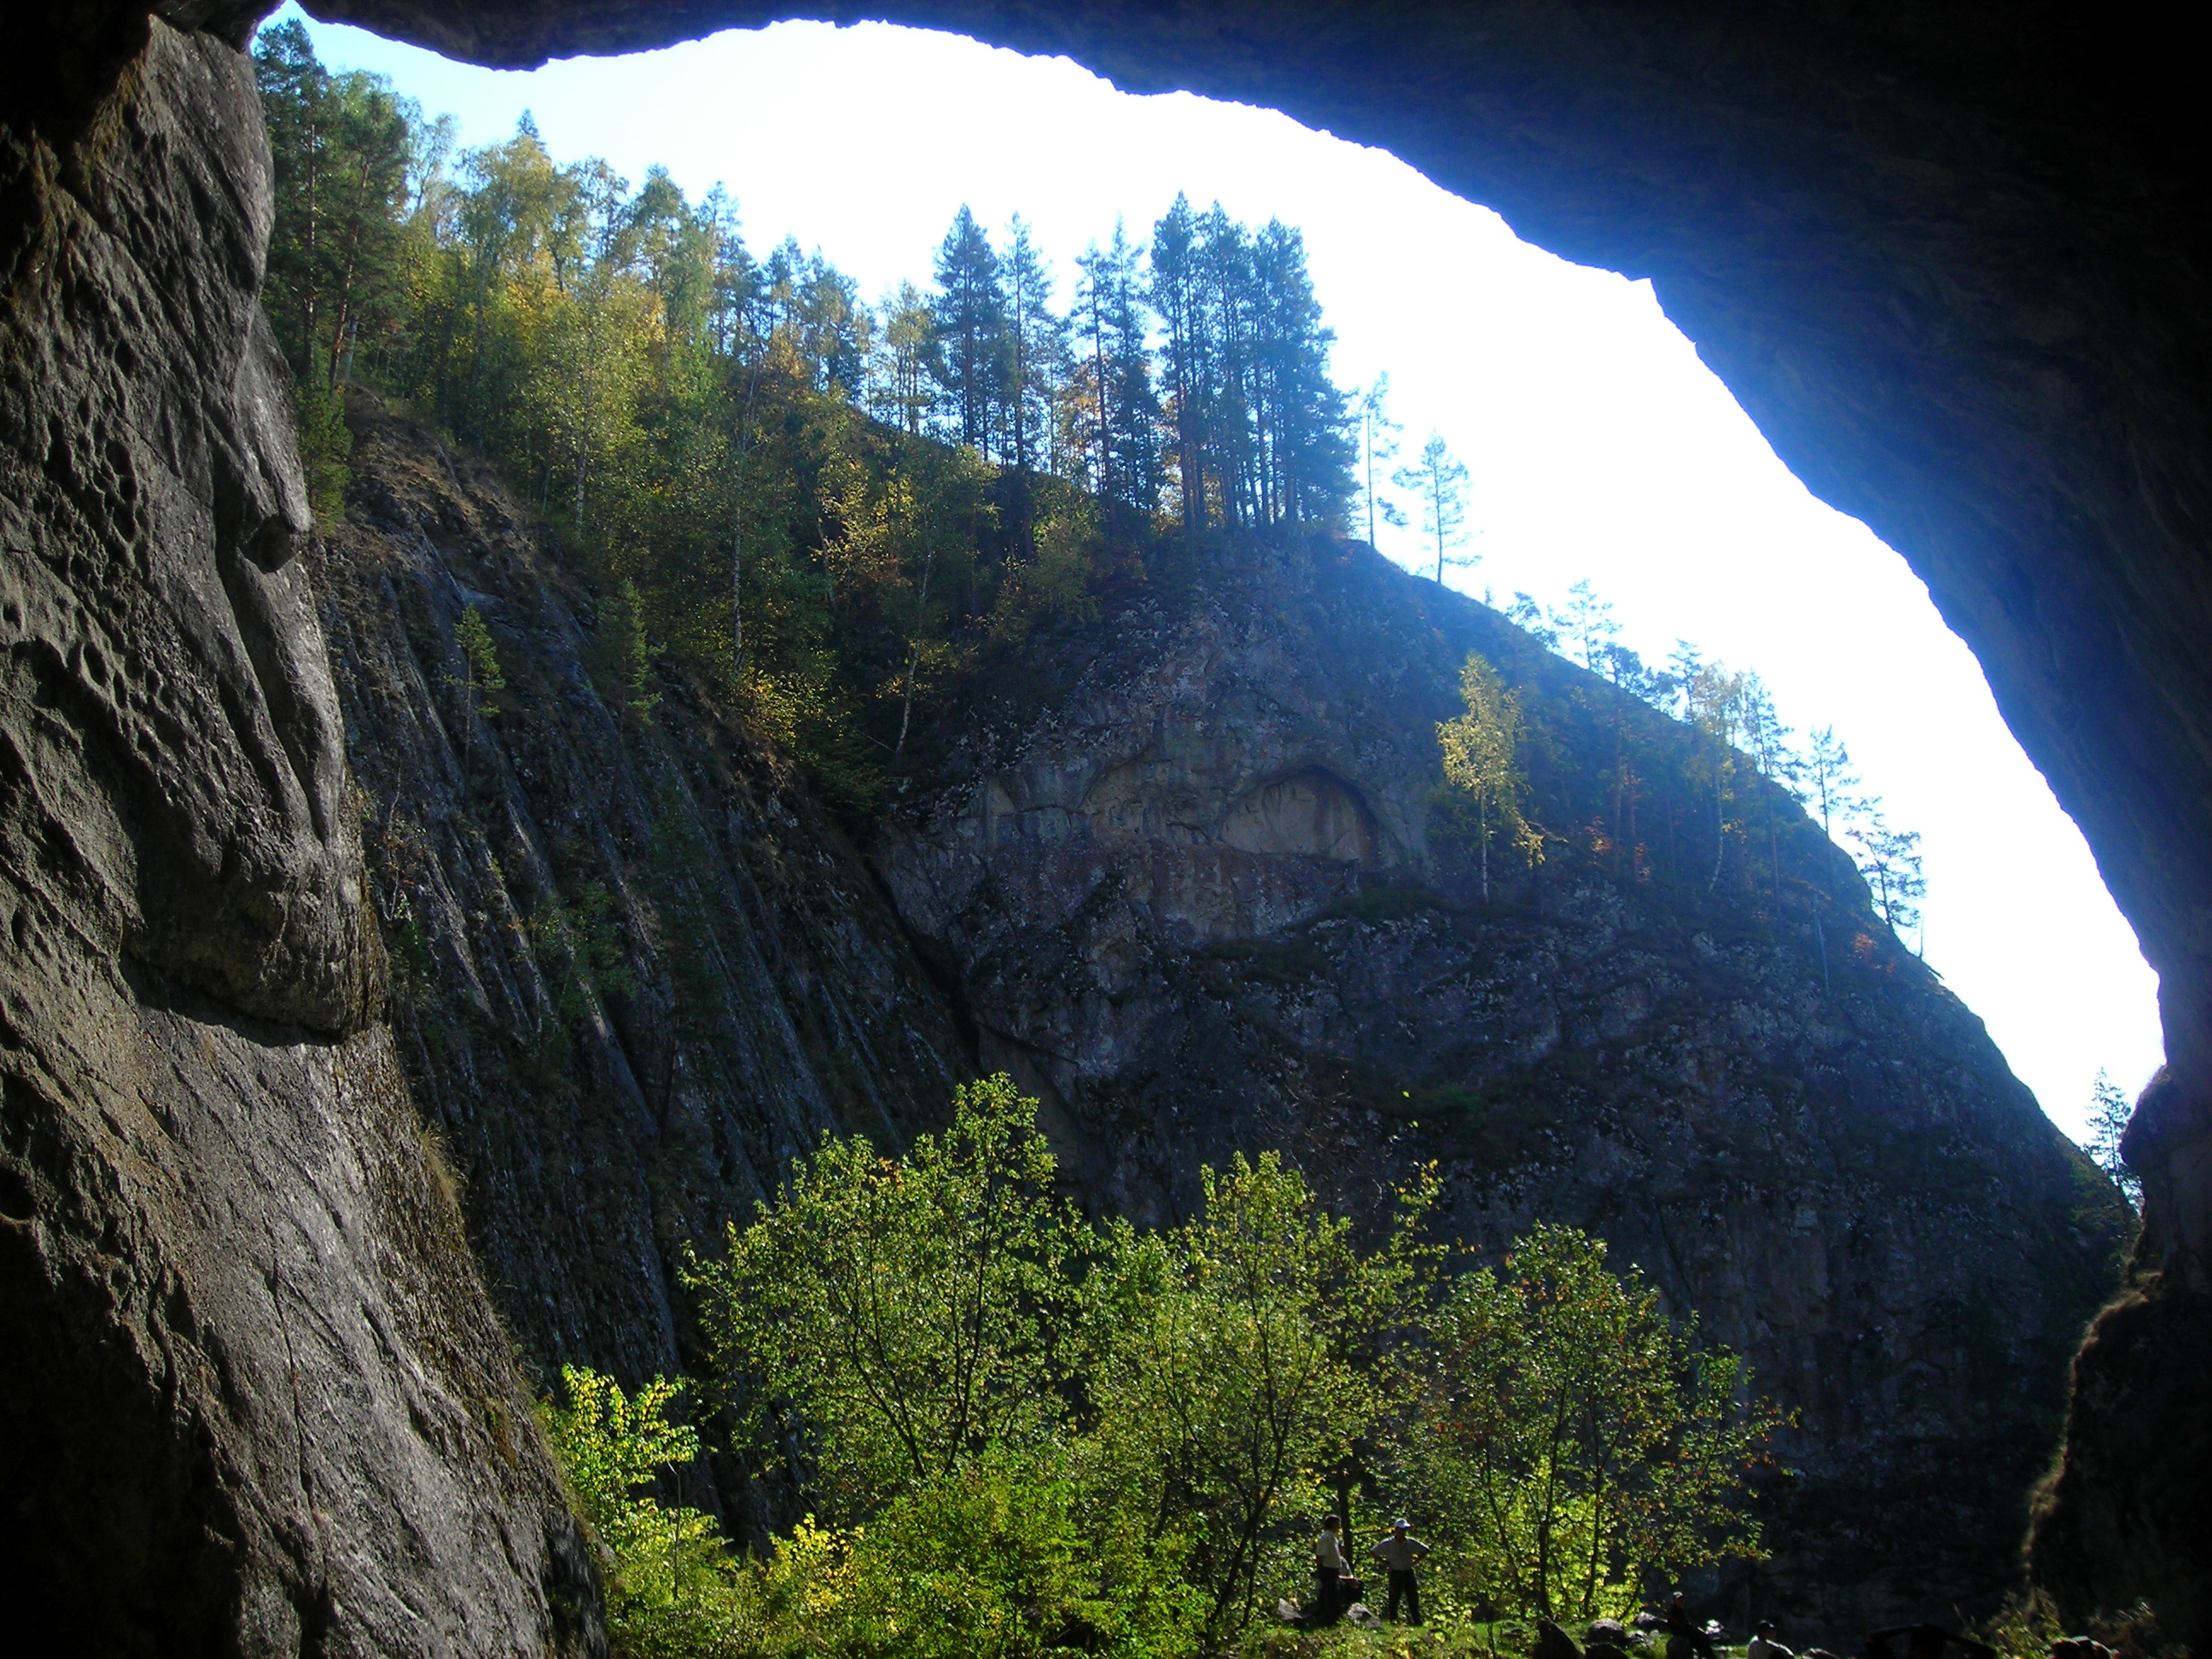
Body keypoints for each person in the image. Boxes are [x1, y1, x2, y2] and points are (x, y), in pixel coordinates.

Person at [1370, 1517, 1430, 1624]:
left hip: (1408, 1572)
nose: (1403, 1532)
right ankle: (1393, 1620)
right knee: (1394, 1598)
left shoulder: (1411, 1543)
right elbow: (1373, 1552)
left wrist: (1416, 1561)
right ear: (1396, 1529)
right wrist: (1385, 1563)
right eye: (1401, 1529)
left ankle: (1416, 1620)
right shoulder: (1388, 1543)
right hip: (1396, 1573)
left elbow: (1425, 1550)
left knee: (1413, 1598)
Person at [1313, 1514, 1350, 1627]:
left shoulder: (1333, 1538)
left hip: (1334, 1570)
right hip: (1327, 1570)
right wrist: (1319, 1571)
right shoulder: (1326, 1538)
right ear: (1333, 1524)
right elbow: (1320, 1556)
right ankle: (1330, 1621)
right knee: (1330, 1596)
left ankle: (1335, 1620)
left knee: (1336, 1595)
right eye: (1338, 1524)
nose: (1339, 1526)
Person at [1665, 1592, 1719, 1659]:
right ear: (1674, 1601)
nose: (1681, 1602)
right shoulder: (1674, 1611)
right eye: (1679, 1600)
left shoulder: (1677, 1610)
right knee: (1703, 1642)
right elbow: (1683, 1625)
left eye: (1682, 1600)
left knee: (1703, 1639)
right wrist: (1694, 1630)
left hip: (1684, 1633)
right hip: (1682, 1634)